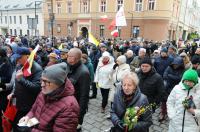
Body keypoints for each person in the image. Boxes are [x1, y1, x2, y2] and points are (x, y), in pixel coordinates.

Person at [19, 63, 80, 132]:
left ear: (58, 83)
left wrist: (31, 131)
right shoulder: (45, 91)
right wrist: (28, 117)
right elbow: (34, 109)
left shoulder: (69, 107)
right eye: (41, 80)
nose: (42, 85)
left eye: (46, 82)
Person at [7, 47, 43, 132]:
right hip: (19, 104)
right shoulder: (19, 66)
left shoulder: (37, 69)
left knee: (25, 129)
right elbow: (16, 84)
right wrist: (13, 93)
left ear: (27, 56)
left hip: (30, 107)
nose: (17, 59)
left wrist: (22, 79)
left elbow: (37, 88)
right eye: (17, 57)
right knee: (16, 127)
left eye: (20, 57)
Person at [67, 48, 90, 131]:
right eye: (68, 56)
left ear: (77, 58)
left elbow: (84, 96)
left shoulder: (84, 73)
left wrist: (79, 117)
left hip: (75, 109)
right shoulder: (70, 66)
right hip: (68, 106)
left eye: (70, 56)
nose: (67, 58)